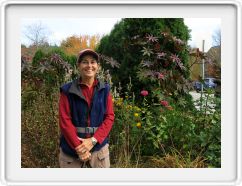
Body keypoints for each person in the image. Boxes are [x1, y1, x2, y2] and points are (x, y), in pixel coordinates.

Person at [58, 49, 114, 168]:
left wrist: (93, 140)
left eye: (93, 62)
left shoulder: (105, 90)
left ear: (98, 66)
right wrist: (79, 148)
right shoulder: (67, 91)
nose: (89, 66)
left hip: (99, 151)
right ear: (78, 66)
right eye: (85, 62)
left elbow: (109, 117)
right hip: (72, 152)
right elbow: (65, 121)